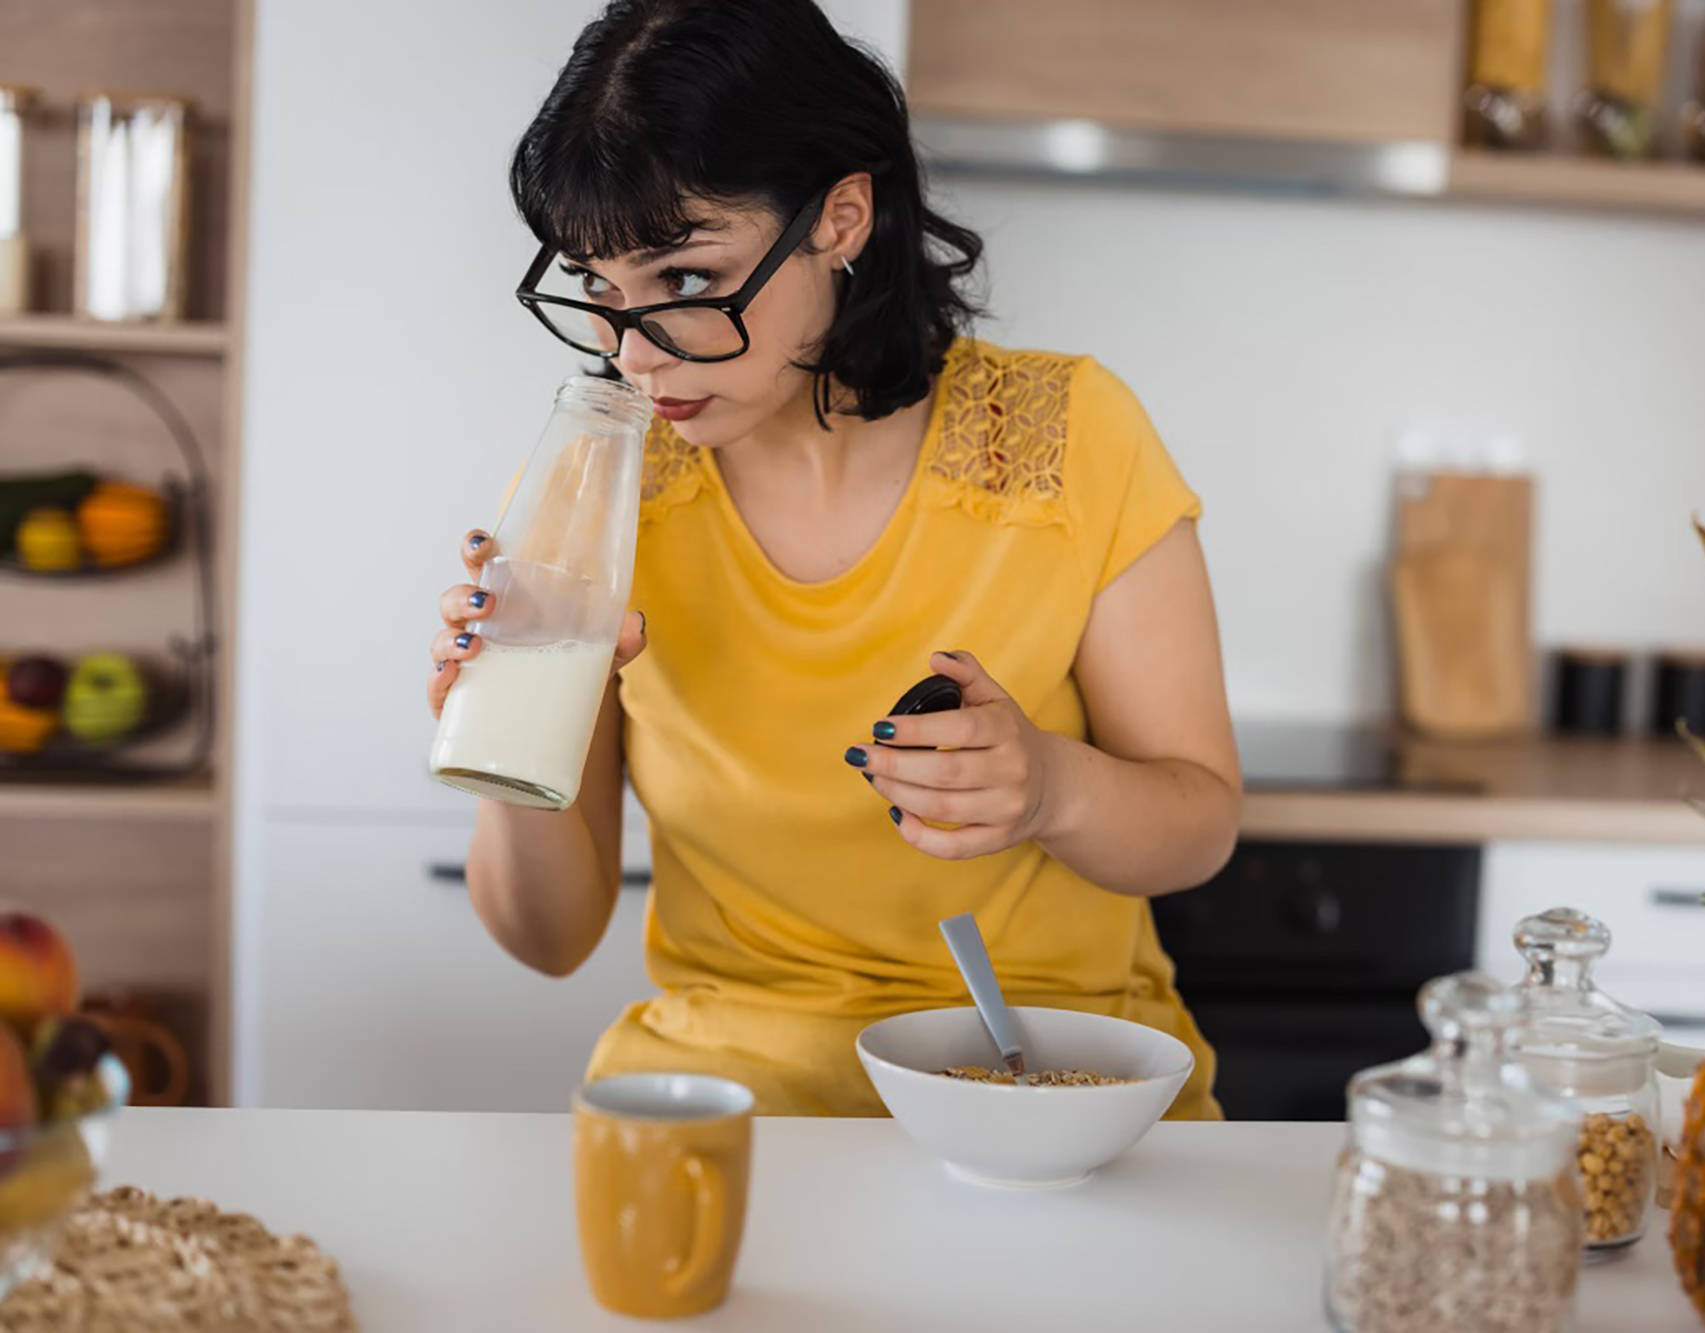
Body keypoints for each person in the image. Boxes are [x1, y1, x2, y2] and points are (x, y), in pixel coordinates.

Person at [427, 0, 1240, 1118]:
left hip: (1050, 1073)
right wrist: (507, 727)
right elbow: (548, 940)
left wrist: (1050, 785)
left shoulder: (1069, 435)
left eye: (685, 282)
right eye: (602, 293)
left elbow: (1196, 824)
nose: (634, 356)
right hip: (732, 1091)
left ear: (841, 217)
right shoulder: (605, 494)